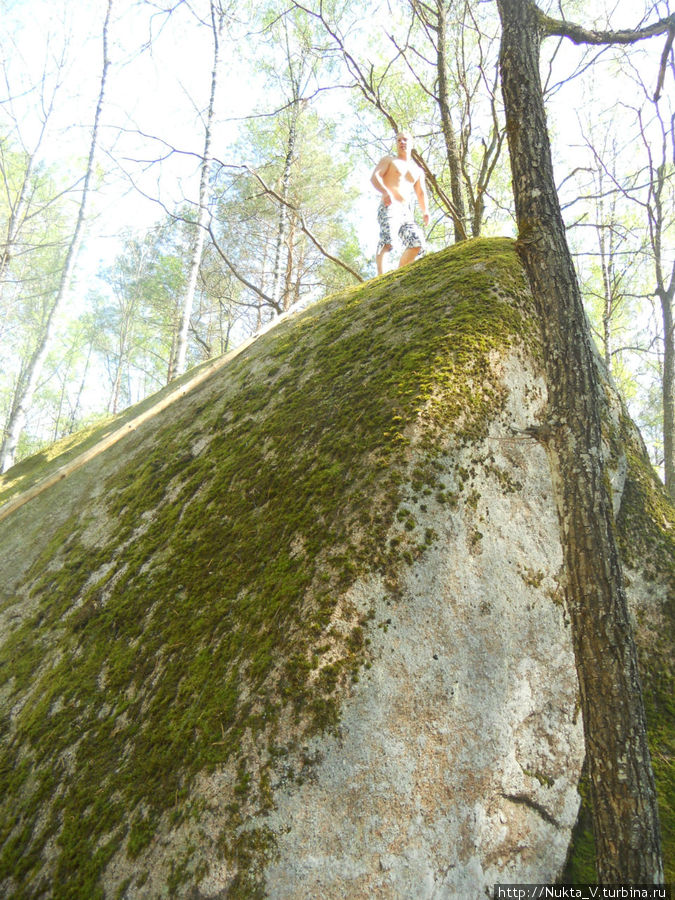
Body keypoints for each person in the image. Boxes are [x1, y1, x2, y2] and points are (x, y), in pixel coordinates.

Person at [370, 131, 430, 275]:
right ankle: (381, 279)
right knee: (387, 239)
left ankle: (399, 275)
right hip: (390, 206)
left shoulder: (417, 170)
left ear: (412, 143)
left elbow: (421, 192)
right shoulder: (389, 161)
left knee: (417, 243)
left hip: (406, 212)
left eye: (405, 140)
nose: (402, 142)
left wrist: (425, 211)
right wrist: (385, 192)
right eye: (399, 140)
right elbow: (374, 177)